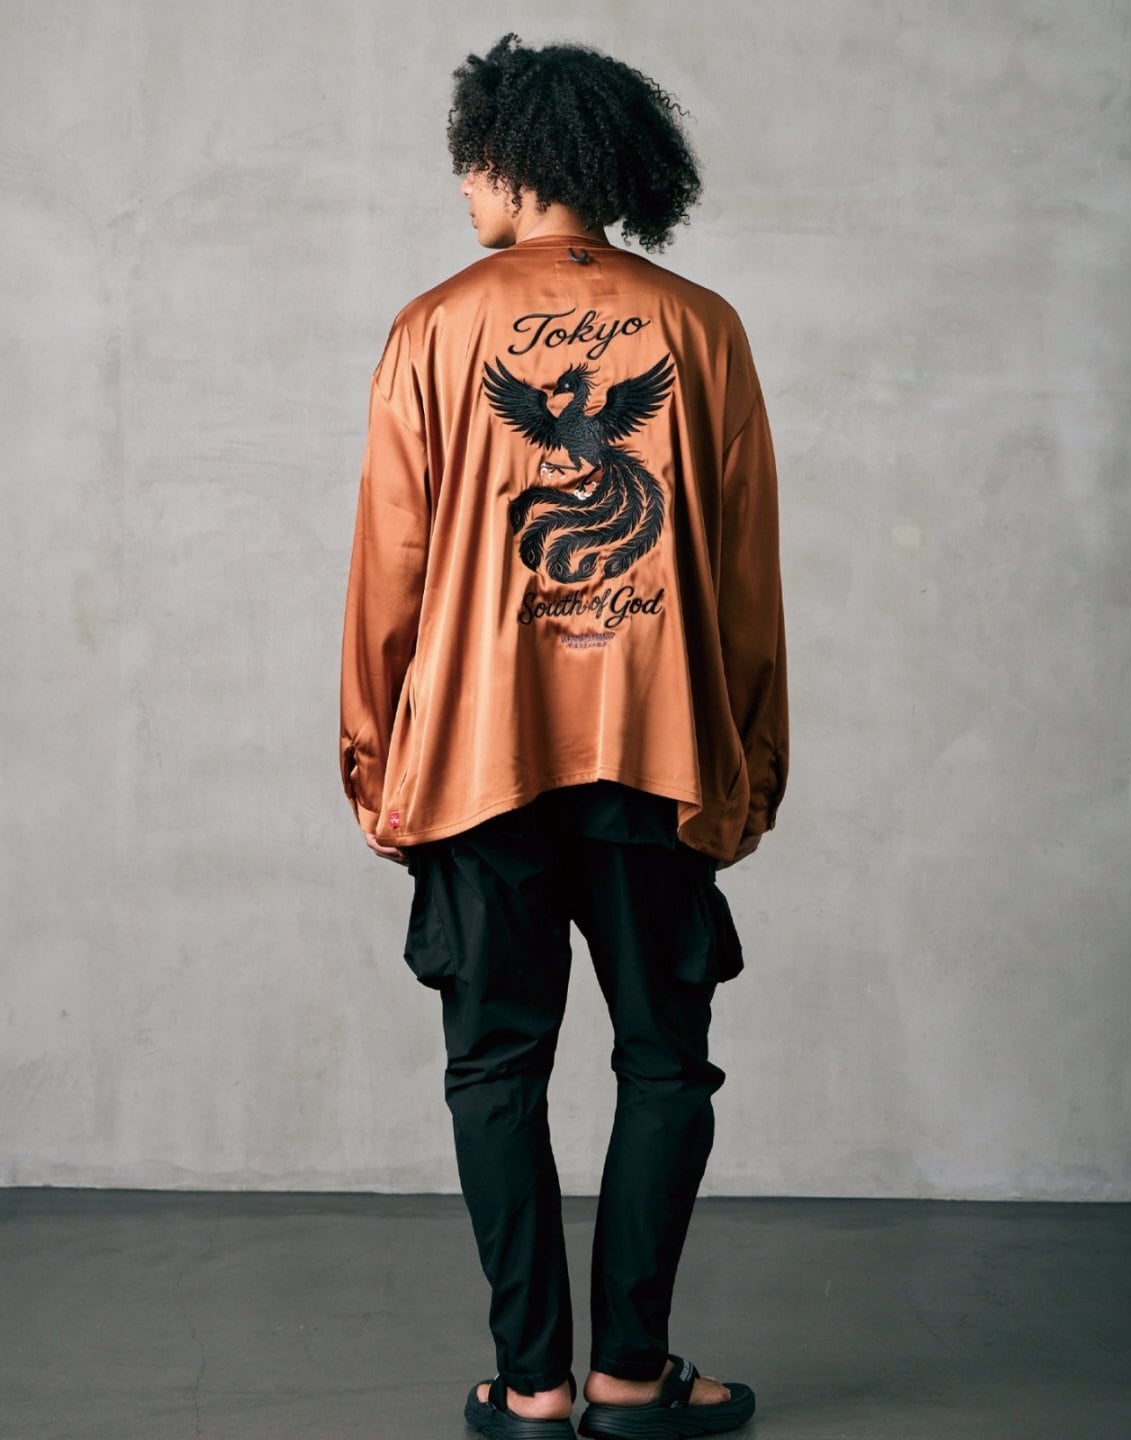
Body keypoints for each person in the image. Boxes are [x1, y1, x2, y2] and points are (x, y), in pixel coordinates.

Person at [339, 32, 787, 1440]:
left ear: (508, 159)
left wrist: (376, 760)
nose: (462, 191)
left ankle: (531, 1387)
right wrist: (751, 761)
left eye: (467, 166)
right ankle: (631, 1378)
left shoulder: (432, 327)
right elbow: (745, 574)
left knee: (494, 1068)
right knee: (665, 1062)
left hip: (480, 766)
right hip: (659, 756)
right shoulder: (699, 327)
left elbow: (389, 571)